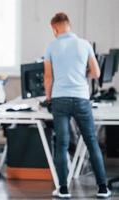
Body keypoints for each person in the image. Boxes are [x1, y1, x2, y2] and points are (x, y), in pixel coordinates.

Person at [44, 12, 111, 198]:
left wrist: (48, 99)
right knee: (91, 141)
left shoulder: (51, 46)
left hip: (60, 99)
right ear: (69, 25)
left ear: (55, 28)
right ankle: (103, 188)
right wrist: (82, 75)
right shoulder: (84, 44)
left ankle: (63, 189)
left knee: (62, 144)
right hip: (81, 98)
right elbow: (96, 73)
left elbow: (48, 78)